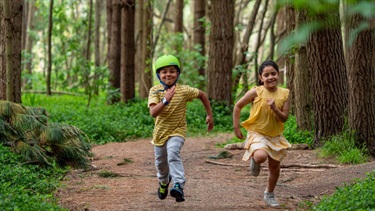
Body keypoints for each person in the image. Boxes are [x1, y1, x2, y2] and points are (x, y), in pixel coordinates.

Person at [148, 54, 214, 202]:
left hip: (178, 131)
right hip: (159, 134)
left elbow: (202, 95)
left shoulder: (184, 90)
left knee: (173, 154)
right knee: (160, 164)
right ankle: (164, 182)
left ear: (177, 73)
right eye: (164, 71)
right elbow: (153, 113)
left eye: (172, 71)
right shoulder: (155, 90)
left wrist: (209, 115)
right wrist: (166, 100)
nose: (168, 74)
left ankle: (178, 184)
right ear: (159, 75)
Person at [232, 60, 291, 207]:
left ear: (278, 75)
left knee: (275, 168)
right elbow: (238, 106)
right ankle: (255, 158)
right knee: (260, 156)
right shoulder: (256, 91)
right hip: (257, 132)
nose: (270, 77)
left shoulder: (285, 93)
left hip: (275, 135)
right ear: (261, 78)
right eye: (266, 75)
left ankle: (269, 193)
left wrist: (275, 109)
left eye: (273, 74)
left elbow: (284, 118)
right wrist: (236, 127)